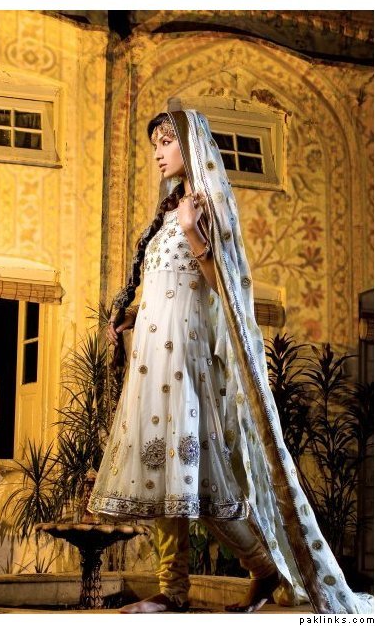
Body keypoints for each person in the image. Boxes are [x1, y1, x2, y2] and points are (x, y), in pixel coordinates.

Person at [88, 110, 373, 615]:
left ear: (191, 145)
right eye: (155, 145)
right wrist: (129, 318)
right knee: (163, 474)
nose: (158, 153)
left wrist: (195, 233)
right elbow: (165, 286)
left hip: (187, 358)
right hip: (153, 358)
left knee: (200, 476)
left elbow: (225, 288)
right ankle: (173, 590)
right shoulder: (167, 212)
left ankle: (261, 568)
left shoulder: (205, 205)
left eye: (166, 142)